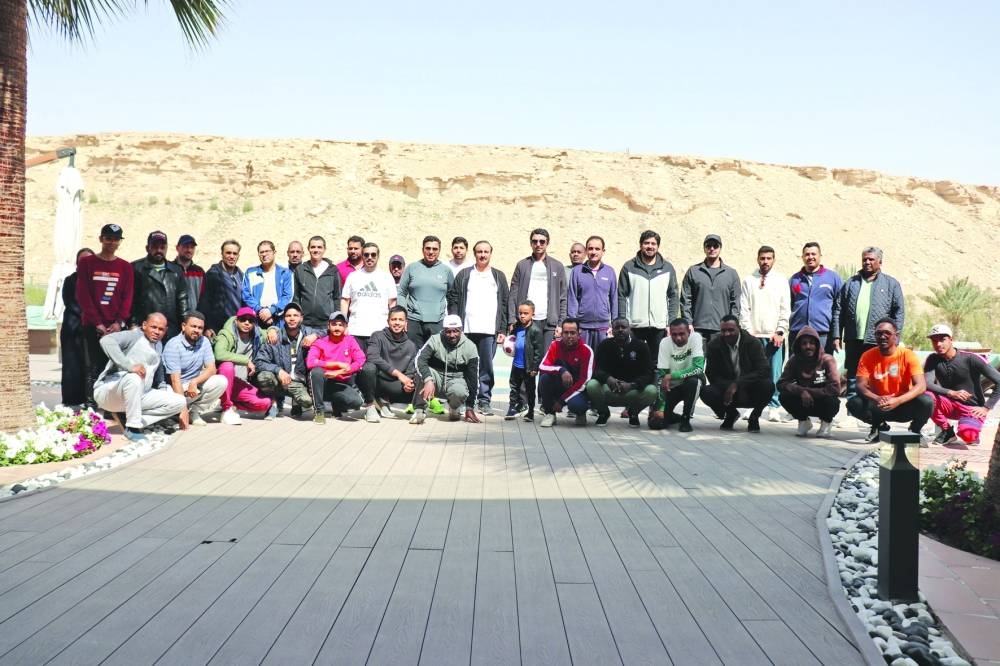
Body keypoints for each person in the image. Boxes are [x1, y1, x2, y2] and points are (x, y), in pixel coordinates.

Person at [93, 312, 186, 442]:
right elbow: (106, 340)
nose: (157, 332)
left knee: (180, 402)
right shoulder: (133, 336)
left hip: (138, 395)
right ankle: (132, 428)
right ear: (144, 325)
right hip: (109, 391)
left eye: (161, 329)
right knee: (135, 377)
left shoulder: (159, 345)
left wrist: (162, 391)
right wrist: (129, 366)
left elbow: (158, 372)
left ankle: (131, 419)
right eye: (153, 327)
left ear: (165, 331)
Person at [847, 318, 933, 444]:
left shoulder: (908, 355)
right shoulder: (867, 356)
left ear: (896, 336)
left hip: (903, 405)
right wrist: (878, 398)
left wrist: (897, 400)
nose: (883, 336)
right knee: (854, 403)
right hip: (879, 405)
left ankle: (915, 431)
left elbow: (921, 386)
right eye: (879, 333)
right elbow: (860, 385)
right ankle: (879, 426)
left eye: (887, 333)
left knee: (927, 402)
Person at [447, 240, 509, 416]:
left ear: (490, 253)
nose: (482, 255)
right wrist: (455, 325)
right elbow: (453, 299)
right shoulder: (465, 274)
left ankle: (484, 401)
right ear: (474, 254)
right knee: (463, 366)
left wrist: (502, 329)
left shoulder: (498, 276)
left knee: (486, 368)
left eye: (486, 252)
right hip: (466, 330)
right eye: (479, 252)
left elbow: (504, 304)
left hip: (489, 331)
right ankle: (463, 400)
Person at [76, 223, 134, 405]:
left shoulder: (125, 267)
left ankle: (111, 406)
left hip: (115, 327)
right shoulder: (86, 263)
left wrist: (119, 322)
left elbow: (127, 297)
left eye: (116, 239)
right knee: (92, 367)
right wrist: (97, 323)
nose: (112, 242)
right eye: (108, 238)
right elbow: (83, 294)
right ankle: (90, 407)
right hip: (92, 325)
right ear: (101, 239)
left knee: (114, 367)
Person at [838, 247, 905, 397]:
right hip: (853, 339)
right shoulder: (851, 283)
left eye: (871, 259)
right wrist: (837, 335)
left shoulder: (891, 284)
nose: (867, 262)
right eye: (864, 259)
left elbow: (899, 312)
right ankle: (853, 406)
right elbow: (839, 310)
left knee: (878, 376)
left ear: (880, 262)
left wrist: (895, 337)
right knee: (853, 376)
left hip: (879, 340)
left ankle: (876, 408)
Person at [924, 324, 1000, 445]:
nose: (938, 344)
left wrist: (986, 407)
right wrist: (951, 393)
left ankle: (970, 428)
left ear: (951, 339)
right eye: (934, 341)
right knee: (926, 397)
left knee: (968, 435)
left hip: (972, 409)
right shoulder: (933, 359)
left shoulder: (971, 358)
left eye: (942, 339)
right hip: (948, 405)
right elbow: (927, 383)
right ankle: (947, 431)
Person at [739, 245, 790, 421]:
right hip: (754, 336)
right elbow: (744, 308)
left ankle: (773, 406)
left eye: (769, 258)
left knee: (774, 373)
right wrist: (747, 332)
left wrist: (780, 330)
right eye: (762, 258)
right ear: (757, 259)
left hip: (774, 335)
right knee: (752, 372)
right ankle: (751, 404)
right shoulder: (749, 280)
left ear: (774, 260)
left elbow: (785, 308)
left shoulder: (781, 281)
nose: (765, 261)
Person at [701, 315, 774, 432]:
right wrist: (729, 386)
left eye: (731, 330)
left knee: (768, 385)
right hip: (727, 389)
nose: (727, 334)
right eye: (723, 330)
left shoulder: (753, 342)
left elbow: (763, 370)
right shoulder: (714, 345)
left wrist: (738, 384)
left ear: (739, 328)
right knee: (705, 391)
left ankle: (754, 417)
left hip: (751, 387)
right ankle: (731, 414)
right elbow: (711, 373)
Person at [617, 230, 681, 361]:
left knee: (657, 363)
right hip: (635, 327)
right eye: (646, 243)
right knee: (633, 362)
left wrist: (671, 323)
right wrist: (624, 323)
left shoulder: (667, 268)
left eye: (653, 243)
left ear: (658, 246)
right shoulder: (629, 267)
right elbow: (621, 296)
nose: (650, 246)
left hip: (659, 327)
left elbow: (673, 296)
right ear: (640, 245)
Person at [410, 314, 482, 424]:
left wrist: (470, 408)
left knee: (459, 391)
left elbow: (473, 378)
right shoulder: (435, 340)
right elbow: (420, 360)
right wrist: (428, 379)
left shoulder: (470, 347)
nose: (452, 335)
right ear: (443, 330)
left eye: (456, 331)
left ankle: (454, 407)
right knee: (422, 374)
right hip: (436, 377)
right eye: (448, 331)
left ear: (461, 330)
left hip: (456, 379)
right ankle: (419, 410)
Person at [585, 318, 656, 428]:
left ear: (630, 329)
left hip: (632, 391)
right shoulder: (604, 345)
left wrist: (632, 385)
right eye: (617, 327)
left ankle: (633, 412)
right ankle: (603, 413)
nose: (620, 330)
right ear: (612, 330)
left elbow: (649, 374)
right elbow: (596, 370)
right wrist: (608, 379)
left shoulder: (641, 346)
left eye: (623, 327)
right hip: (610, 389)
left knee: (652, 391)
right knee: (592, 385)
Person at [162, 311, 228, 426]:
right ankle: (176, 413)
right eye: (193, 326)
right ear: (184, 326)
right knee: (166, 393)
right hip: (174, 388)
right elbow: (175, 380)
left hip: (193, 386)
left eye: (200, 328)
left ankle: (194, 412)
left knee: (221, 381)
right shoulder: (173, 345)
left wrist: (195, 382)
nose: (197, 330)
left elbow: (211, 369)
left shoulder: (204, 341)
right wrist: (182, 409)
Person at [254, 302, 319, 419]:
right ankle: (274, 403)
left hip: (298, 382)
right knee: (264, 377)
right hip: (278, 380)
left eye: (295, 315)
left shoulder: (308, 333)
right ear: (284, 318)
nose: (292, 319)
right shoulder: (274, 336)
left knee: (307, 402)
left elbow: (327, 332)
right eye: (288, 316)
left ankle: (296, 401)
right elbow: (259, 361)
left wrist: (316, 335)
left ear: (301, 318)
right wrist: (278, 370)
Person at [356, 306, 419, 423]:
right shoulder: (377, 336)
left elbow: (411, 370)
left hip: (395, 385)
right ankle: (370, 406)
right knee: (368, 368)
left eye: (400, 320)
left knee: (420, 380)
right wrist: (399, 374)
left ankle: (418, 411)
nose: (397, 323)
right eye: (394, 319)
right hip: (377, 381)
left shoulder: (411, 345)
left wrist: (408, 382)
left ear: (406, 323)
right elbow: (373, 357)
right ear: (388, 321)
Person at [508, 228, 568, 350]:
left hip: (549, 322)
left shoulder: (557, 266)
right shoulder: (522, 265)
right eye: (535, 241)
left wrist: (561, 323)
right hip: (525, 321)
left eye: (542, 241)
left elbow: (563, 297)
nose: (538, 244)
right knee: (526, 357)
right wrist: (512, 319)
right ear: (531, 243)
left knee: (545, 358)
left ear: (547, 243)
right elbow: (513, 294)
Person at [777, 325, 841, 438]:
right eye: (804, 343)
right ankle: (803, 421)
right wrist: (801, 392)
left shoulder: (827, 360)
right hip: (803, 401)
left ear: (817, 345)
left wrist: (807, 392)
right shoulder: (794, 360)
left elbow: (835, 388)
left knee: (833, 402)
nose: (808, 346)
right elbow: (781, 383)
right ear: (798, 346)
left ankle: (826, 423)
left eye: (812, 343)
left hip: (822, 401)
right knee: (784, 396)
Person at [213, 306, 275, 424]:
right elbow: (219, 354)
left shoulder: (257, 334)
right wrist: (246, 361)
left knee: (265, 403)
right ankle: (226, 409)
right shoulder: (226, 334)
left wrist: (272, 329)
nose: (247, 323)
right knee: (227, 366)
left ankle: (230, 404)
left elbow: (271, 332)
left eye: (250, 321)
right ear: (237, 320)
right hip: (222, 380)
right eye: (243, 319)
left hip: (240, 383)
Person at [307, 311, 365, 423]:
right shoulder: (320, 342)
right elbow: (310, 362)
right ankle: (319, 411)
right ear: (328, 326)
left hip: (340, 382)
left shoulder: (350, 340)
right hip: (323, 382)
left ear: (345, 327)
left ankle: (337, 405)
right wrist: (337, 364)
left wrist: (339, 372)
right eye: (334, 324)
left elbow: (361, 360)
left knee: (357, 402)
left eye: (340, 325)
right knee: (316, 372)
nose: (337, 328)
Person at [681, 234, 740, 341]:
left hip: (722, 329)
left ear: (720, 248)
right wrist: (688, 322)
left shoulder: (731, 274)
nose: (712, 249)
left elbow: (735, 302)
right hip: (697, 329)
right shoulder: (693, 271)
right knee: (698, 353)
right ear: (704, 248)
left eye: (715, 246)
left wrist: (732, 324)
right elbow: (686, 300)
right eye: (708, 246)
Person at [649, 318, 704, 432]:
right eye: (674, 334)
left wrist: (672, 375)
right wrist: (660, 408)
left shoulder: (696, 338)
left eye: (681, 334)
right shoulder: (665, 342)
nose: (678, 338)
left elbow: (698, 368)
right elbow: (662, 376)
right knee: (655, 423)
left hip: (691, 381)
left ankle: (686, 419)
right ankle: (675, 417)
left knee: (693, 382)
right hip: (672, 386)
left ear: (689, 332)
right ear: (670, 333)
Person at [131, 230, 189, 339]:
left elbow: (182, 299)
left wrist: (185, 325)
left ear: (166, 248)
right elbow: (131, 299)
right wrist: (133, 324)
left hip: (170, 329)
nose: (159, 250)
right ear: (147, 248)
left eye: (162, 247)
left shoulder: (176, 271)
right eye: (155, 247)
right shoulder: (136, 268)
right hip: (144, 329)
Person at [398, 235, 454, 346]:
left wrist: (451, 321)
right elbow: (401, 293)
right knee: (413, 354)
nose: (431, 252)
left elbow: (452, 297)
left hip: (437, 323)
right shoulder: (412, 268)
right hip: (413, 322)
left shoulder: (446, 270)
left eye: (435, 249)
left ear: (439, 251)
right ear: (422, 249)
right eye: (428, 248)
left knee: (436, 355)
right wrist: (402, 318)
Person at [341, 241, 397, 351]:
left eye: (373, 255)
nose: (370, 257)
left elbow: (392, 304)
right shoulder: (353, 277)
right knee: (356, 361)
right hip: (355, 331)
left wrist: (392, 325)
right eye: (366, 255)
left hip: (380, 331)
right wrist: (344, 324)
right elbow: (345, 301)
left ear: (378, 256)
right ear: (362, 256)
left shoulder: (386, 277)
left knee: (376, 362)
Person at [537, 318, 593, 427]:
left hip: (577, 390)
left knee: (577, 405)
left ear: (579, 333)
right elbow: (542, 366)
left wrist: (562, 401)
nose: (569, 336)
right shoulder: (555, 345)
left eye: (573, 333)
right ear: (561, 333)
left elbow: (584, 380)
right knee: (544, 378)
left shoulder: (586, 351)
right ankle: (549, 414)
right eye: (566, 333)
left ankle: (580, 413)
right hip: (560, 385)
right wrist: (561, 370)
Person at [789, 241, 842, 353]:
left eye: (813, 254)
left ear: (820, 256)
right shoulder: (794, 279)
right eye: (807, 254)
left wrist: (836, 336)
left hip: (823, 334)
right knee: (796, 363)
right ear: (802, 257)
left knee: (822, 363)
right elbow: (789, 305)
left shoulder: (833, 278)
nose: (810, 257)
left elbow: (838, 308)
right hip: (798, 333)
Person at [568, 235, 618, 349]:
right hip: (582, 328)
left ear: (603, 251)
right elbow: (572, 299)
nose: (593, 252)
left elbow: (614, 299)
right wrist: (573, 325)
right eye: (590, 249)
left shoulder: (609, 271)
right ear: (586, 251)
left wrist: (614, 325)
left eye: (597, 249)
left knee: (602, 358)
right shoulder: (577, 271)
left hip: (603, 327)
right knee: (583, 358)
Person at [60, 247, 94, 408]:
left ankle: (90, 399)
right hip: (73, 329)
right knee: (72, 366)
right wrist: (88, 315)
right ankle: (71, 400)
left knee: (90, 366)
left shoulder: (97, 281)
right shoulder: (70, 280)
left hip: (92, 329)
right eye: (82, 260)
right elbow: (70, 302)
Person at [505, 300, 544, 422]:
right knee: (514, 386)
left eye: (526, 313)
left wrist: (535, 368)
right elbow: (511, 339)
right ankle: (512, 408)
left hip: (528, 367)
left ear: (533, 314)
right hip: (516, 364)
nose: (522, 316)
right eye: (520, 313)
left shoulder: (536, 331)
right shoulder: (517, 327)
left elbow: (539, 352)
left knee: (530, 389)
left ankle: (530, 411)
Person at [293, 235, 342, 330]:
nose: (316, 250)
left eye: (319, 247)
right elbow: (296, 297)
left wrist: (335, 319)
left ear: (324, 249)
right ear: (308, 249)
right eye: (313, 247)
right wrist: (297, 317)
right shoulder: (300, 270)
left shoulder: (333, 270)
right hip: (305, 323)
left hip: (326, 323)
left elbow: (337, 297)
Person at [198, 239, 244, 339]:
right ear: (222, 254)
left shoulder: (241, 275)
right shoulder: (213, 274)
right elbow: (204, 302)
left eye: (235, 253)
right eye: (228, 253)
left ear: (238, 256)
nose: (231, 256)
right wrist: (207, 327)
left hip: (237, 328)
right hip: (218, 329)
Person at [242, 240, 293, 328]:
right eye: (261, 252)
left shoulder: (285, 273)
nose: (264, 254)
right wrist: (261, 311)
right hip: (256, 320)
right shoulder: (250, 273)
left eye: (267, 251)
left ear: (274, 252)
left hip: (279, 320)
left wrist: (271, 311)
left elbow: (287, 296)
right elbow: (246, 296)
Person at [174, 234, 205, 311]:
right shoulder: (170, 269)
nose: (189, 250)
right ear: (177, 248)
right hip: (174, 316)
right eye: (186, 247)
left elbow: (204, 297)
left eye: (192, 247)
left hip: (195, 316)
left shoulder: (200, 272)